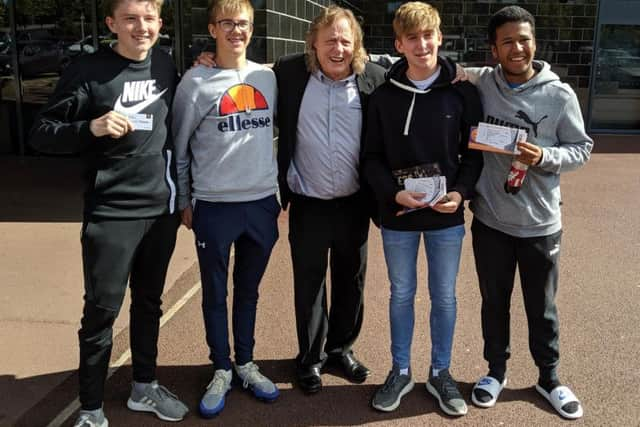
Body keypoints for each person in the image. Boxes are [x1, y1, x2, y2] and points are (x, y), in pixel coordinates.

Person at [29, 1, 188, 426]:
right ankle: (92, 410)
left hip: (160, 211)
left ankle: (144, 387)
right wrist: (89, 128)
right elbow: (41, 133)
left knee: (149, 303)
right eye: (131, 19)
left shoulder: (166, 64)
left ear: (159, 23)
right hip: (111, 213)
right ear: (111, 23)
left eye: (150, 19)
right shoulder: (88, 70)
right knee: (101, 312)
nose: (142, 28)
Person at [463, 6, 591, 420]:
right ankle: (494, 372)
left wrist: (546, 156)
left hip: (540, 224)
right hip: (491, 221)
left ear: (534, 42)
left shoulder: (559, 94)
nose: (517, 48)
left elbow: (581, 148)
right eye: (507, 42)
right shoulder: (482, 82)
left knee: (542, 307)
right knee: (493, 302)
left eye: (523, 39)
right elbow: (425, 60)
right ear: (493, 49)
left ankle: (548, 377)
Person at [363, 2, 483, 416]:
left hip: (446, 214)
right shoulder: (382, 98)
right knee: (401, 294)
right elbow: (370, 157)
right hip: (398, 214)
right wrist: (392, 194)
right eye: (411, 38)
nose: (421, 44)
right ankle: (400, 370)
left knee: (445, 296)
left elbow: (474, 153)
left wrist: (462, 192)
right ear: (398, 44)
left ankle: (440, 371)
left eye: (427, 35)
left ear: (439, 37)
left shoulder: (464, 92)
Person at [172, 0, 280, 417]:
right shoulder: (194, 82)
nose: (237, 30)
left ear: (253, 29)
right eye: (228, 23)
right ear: (213, 28)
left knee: (248, 292)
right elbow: (179, 147)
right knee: (215, 292)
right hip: (214, 206)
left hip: (260, 204)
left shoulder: (267, 78)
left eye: (244, 24)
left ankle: (246, 363)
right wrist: (184, 199)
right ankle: (221, 366)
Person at [272, 5, 385, 394]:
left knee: (351, 281)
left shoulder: (373, 79)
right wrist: (205, 55)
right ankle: (309, 358)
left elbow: (422, 70)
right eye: (329, 40)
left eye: (345, 40)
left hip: (355, 202)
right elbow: (240, 73)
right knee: (309, 283)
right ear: (314, 44)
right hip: (308, 202)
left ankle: (340, 350)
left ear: (356, 45)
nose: (337, 48)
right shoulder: (287, 74)